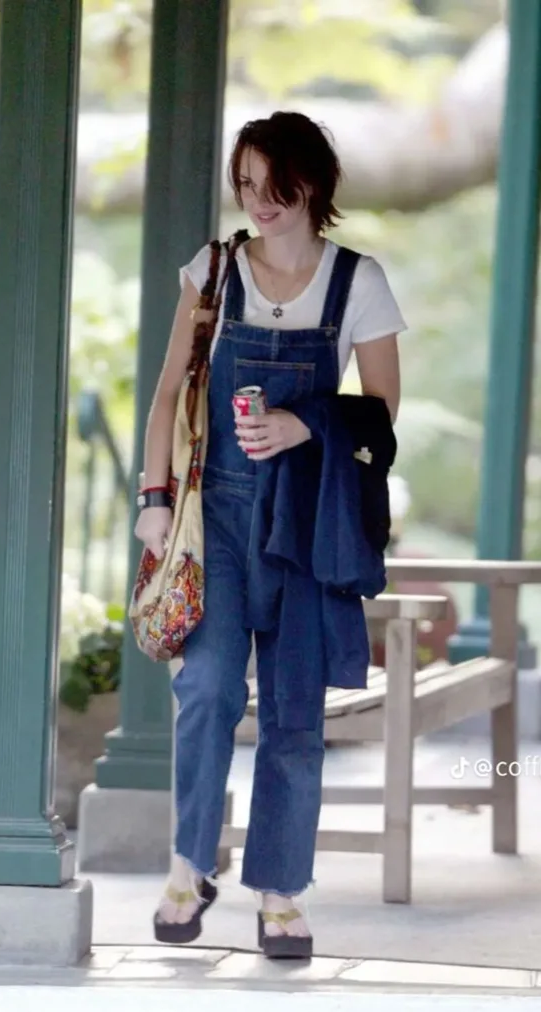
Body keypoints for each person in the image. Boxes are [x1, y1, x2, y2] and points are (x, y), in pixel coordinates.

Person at [134, 110, 406, 958]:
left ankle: (282, 893)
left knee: (293, 715)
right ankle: (188, 864)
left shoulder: (358, 283)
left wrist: (304, 428)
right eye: (245, 186)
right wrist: (153, 494)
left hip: (309, 521)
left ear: (311, 185)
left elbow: (384, 415)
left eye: (274, 187)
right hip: (214, 512)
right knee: (208, 688)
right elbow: (169, 389)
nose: (259, 203)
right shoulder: (213, 272)